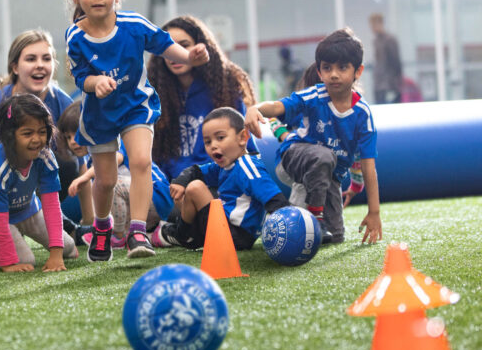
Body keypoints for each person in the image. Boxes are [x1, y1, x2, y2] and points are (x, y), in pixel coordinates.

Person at [64, 0, 209, 261]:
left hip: (135, 105)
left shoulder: (133, 25)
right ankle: (102, 228)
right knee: (105, 180)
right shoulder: (76, 36)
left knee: (141, 161)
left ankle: (137, 231)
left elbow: (163, 43)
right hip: (99, 114)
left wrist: (188, 57)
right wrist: (95, 83)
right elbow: (79, 76)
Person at [0, 29, 92, 252]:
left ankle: (49, 220)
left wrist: (90, 219)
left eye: (46, 58)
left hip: (33, 195)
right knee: (17, 257)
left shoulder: (62, 103)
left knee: (68, 163)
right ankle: (0, 228)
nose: (40, 65)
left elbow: (81, 163)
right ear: (15, 67)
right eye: (31, 59)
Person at [245, 28, 383, 245]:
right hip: (293, 158)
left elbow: (367, 165)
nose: (334, 74)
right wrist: (255, 109)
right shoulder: (314, 95)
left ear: (358, 71)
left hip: (330, 174)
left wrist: (373, 212)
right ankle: (308, 219)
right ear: (319, 72)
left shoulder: (362, 115)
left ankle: (303, 218)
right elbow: (278, 106)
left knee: (335, 236)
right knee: (323, 157)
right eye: (327, 68)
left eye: (342, 68)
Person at [0, 94, 78, 272]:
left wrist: (56, 253)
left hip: (25, 207)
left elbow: (52, 205)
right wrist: (8, 263)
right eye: (27, 133)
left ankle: (20, 236)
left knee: (68, 248)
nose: (37, 139)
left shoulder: (45, 156)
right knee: (25, 260)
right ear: (10, 135)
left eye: (42, 131)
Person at [154, 107, 290, 251]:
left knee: (195, 188)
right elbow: (196, 171)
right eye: (207, 141)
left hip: (236, 235)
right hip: (225, 227)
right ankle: (187, 234)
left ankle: (182, 235)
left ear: (243, 138)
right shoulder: (225, 165)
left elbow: (275, 199)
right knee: (181, 194)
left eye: (220, 138)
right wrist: (180, 182)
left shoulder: (247, 166)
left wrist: (288, 227)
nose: (213, 146)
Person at [148, 15, 257, 181]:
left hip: (219, 186)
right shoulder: (154, 95)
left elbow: (247, 151)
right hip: (170, 189)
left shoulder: (226, 88)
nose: (176, 54)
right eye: (169, 48)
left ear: (201, 49)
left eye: (184, 46)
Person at [269, 62, 365, 209]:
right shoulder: (309, 107)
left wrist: (356, 186)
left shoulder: (350, 118)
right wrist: (284, 135)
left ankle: (329, 226)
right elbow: (273, 116)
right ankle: (298, 220)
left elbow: (356, 153)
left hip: (325, 167)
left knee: (331, 181)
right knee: (308, 179)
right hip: (289, 165)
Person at [68, 137, 174, 250]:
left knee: (112, 183)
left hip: (157, 194)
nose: (72, 142)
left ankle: (117, 237)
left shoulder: (110, 140)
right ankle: (153, 235)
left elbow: (114, 160)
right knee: (102, 190)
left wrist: (85, 177)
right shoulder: (89, 158)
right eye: (67, 137)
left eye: (76, 134)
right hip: (141, 203)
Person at [369, 13, 402, 104]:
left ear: (380, 24)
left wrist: (397, 82)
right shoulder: (376, 41)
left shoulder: (390, 40)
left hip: (389, 84)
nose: (372, 28)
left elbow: (396, 62)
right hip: (379, 83)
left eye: (373, 25)